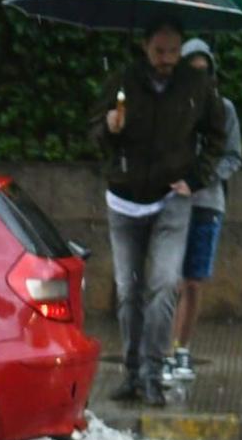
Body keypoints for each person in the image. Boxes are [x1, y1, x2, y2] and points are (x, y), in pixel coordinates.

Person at [89, 20, 229, 407]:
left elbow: (218, 135)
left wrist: (196, 178)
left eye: (173, 51)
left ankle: (153, 372)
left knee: (165, 284)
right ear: (146, 48)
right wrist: (109, 127)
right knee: (129, 289)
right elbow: (94, 134)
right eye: (159, 51)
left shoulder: (197, 85)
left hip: (172, 197)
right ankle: (132, 373)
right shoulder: (123, 81)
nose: (167, 60)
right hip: (124, 197)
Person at [172, 37, 242, 384]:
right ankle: (160, 350)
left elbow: (233, 156)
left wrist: (202, 178)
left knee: (192, 282)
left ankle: (180, 349)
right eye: (192, 71)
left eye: (204, 72)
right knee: (163, 281)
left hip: (206, 204)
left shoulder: (224, 109)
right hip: (169, 202)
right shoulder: (170, 107)